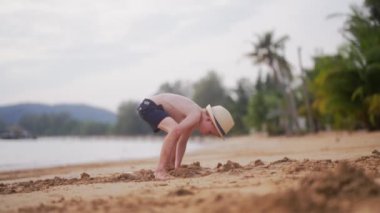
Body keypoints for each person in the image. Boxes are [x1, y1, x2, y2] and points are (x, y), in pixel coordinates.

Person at [137, 93, 235, 180]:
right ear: (209, 120)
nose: (206, 134)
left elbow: (182, 142)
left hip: (153, 107)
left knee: (176, 132)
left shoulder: (194, 119)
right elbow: (176, 132)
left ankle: (170, 166)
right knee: (174, 130)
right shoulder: (196, 114)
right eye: (210, 132)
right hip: (149, 106)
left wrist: (177, 166)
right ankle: (160, 170)